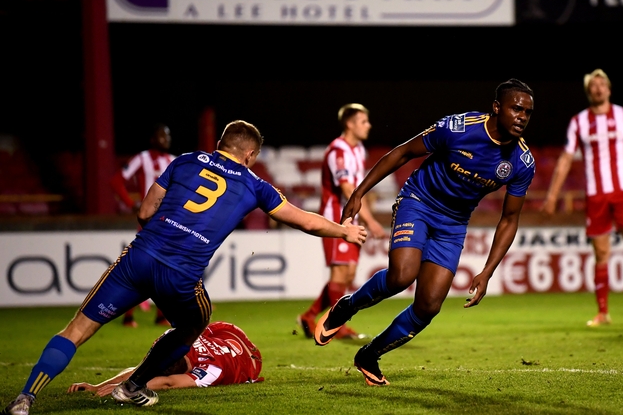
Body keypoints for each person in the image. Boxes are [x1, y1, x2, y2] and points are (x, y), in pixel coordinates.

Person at [3, 120, 367, 415]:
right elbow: (303, 220)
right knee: (195, 322)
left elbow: (145, 212)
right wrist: (344, 230)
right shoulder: (255, 185)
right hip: (180, 274)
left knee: (77, 330)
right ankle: (133, 386)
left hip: (140, 257)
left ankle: (25, 399)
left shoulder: (185, 160)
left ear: (221, 142)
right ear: (251, 154)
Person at [313, 79, 536, 386]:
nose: (522, 116)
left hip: (454, 224)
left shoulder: (522, 163)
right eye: (516, 108)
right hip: (418, 202)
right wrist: (359, 193)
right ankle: (347, 307)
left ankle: (370, 354)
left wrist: (487, 271)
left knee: (429, 305)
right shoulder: (459, 128)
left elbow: (510, 218)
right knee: (402, 275)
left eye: (527, 111)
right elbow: (403, 152)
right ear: (497, 108)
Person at [542, 69, 623, 327]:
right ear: (588, 91)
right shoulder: (579, 122)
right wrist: (552, 195)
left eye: (601, 84)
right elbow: (565, 159)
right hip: (596, 196)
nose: (598, 88)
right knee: (601, 254)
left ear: (608, 89)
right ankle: (603, 312)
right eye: (593, 85)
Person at [298, 103, 388, 341]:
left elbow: (361, 188)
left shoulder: (358, 150)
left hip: (353, 217)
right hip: (336, 217)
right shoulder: (338, 151)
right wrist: (370, 219)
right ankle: (334, 324)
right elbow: (348, 188)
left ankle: (309, 316)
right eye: (363, 121)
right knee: (340, 273)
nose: (368, 125)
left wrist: (366, 216)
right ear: (349, 123)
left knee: (347, 275)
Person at [66, 321, 263, 395]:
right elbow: (142, 369)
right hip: (228, 338)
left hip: (251, 360)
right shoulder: (174, 337)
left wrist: (121, 388)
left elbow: (168, 383)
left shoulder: (211, 370)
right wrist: (97, 386)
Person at [110, 123, 176, 328]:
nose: (165, 138)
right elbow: (116, 181)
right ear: (152, 138)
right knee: (142, 267)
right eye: (161, 135)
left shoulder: (174, 161)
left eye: (168, 135)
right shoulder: (143, 158)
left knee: (165, 268)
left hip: (169, 221)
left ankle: (161, 315)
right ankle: (128, 315)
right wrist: (131, 204)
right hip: (149, 222)